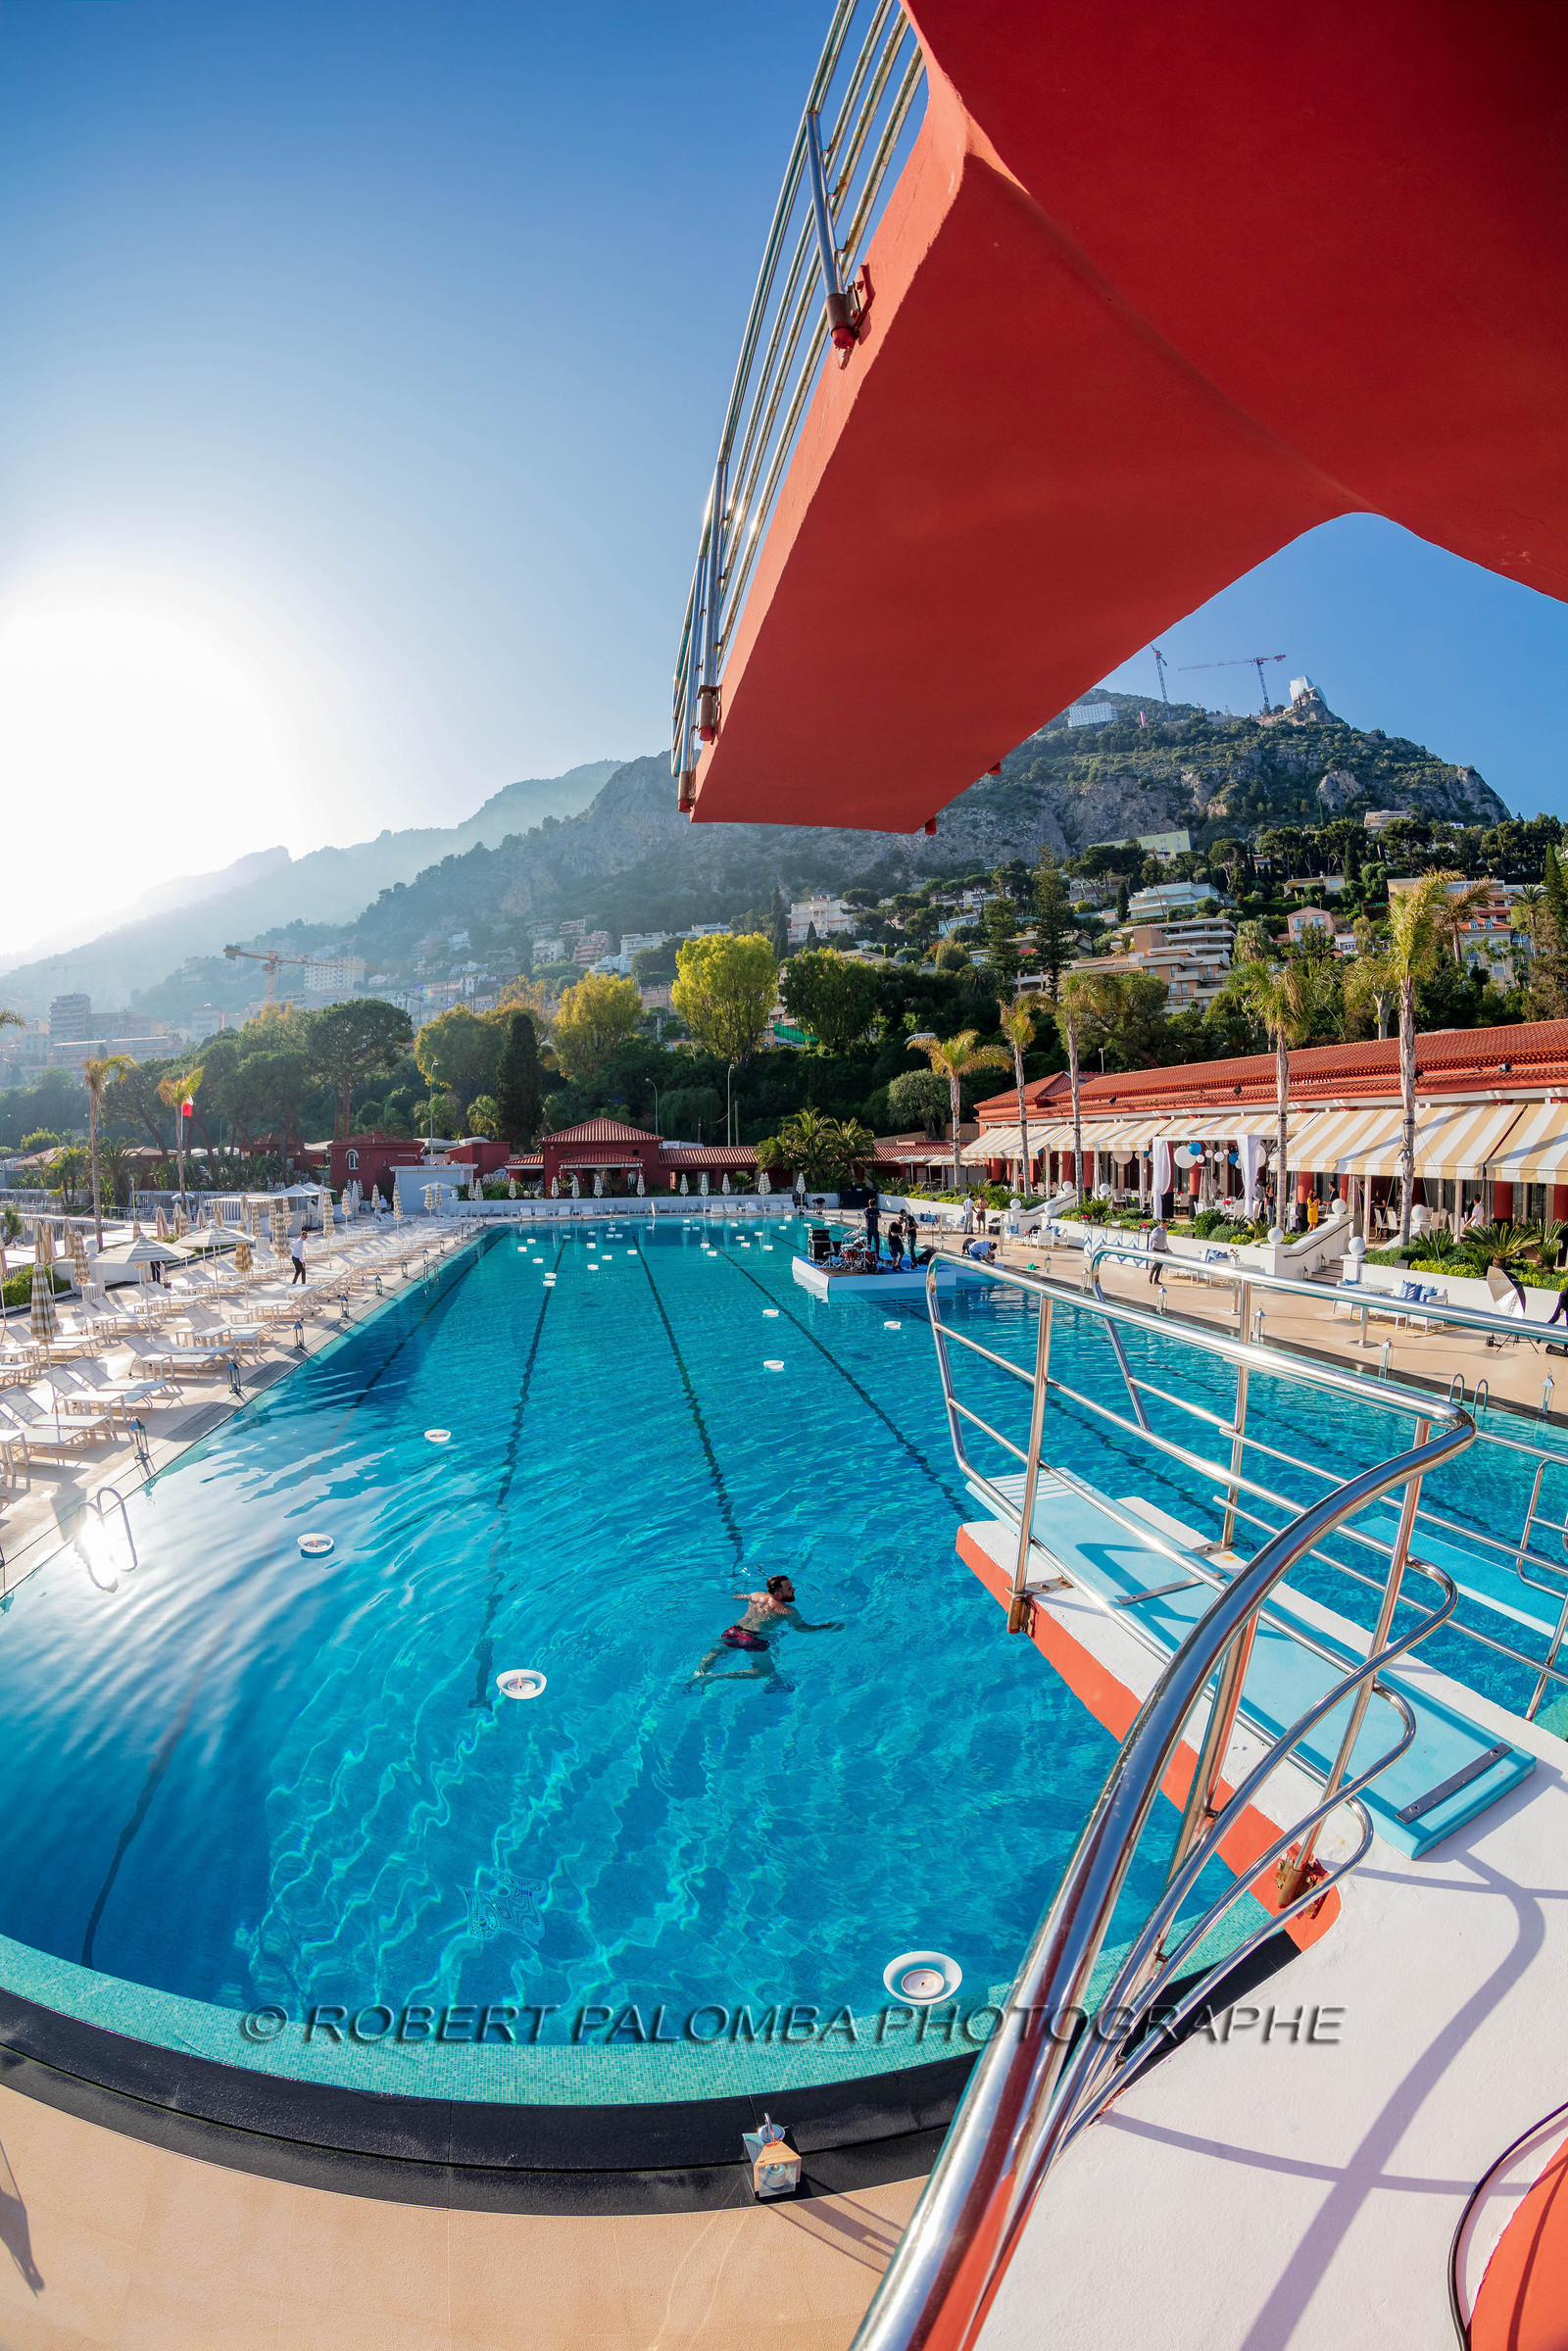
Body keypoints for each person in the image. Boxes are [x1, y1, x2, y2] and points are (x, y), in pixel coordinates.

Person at [690, 1574, 843, 1688]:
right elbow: (802, 1628)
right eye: (789, 1588)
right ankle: (715, 1677)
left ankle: (698, 1673)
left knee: (717, 1652)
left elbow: (740, 1597)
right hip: (754, 1639)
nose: (794, 1589)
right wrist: (825, 1627)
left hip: (734, 1631)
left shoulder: (756, 1595)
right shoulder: (787, 1611)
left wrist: (734, 1596)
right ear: (778, 1594)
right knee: (765, 1671)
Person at [1148, 1216, 1170, 1288]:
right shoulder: (1156, 1230)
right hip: (1157, 1248)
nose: (1166, 1226)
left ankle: (1156, 1279)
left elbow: (1165, 1239)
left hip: (1162, 1249)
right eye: (1165, 1225)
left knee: (1160, 1265)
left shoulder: (1165, 1230)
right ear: (1162, 1224)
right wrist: (1150, 1248)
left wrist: (1166, 1246)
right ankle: (1151, 1275)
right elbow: (1151, 1239)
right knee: (1157, 1263)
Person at [863, 1188, 881, 1262]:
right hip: (874, 1227)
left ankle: (869, 1255)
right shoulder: (875, 1210)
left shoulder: (866, 1209)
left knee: (869, 1241)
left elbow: (865, 1214)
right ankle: (877, 1254)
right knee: (877, 1242)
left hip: (868, 1227)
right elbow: (880, 1216)